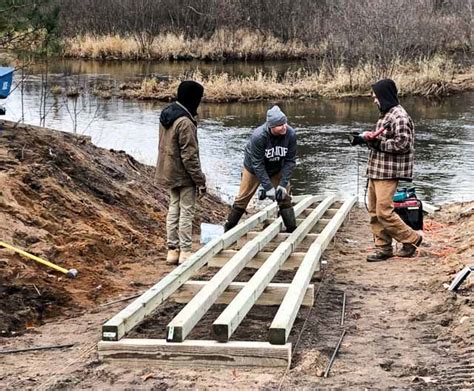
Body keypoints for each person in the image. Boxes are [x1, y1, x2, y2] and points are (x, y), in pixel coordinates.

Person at [352, 79, 423, 262]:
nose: (374, 100)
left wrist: (376, 142)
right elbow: (384, 141)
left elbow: (403, 144)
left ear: (385, 96)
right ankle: (383, 248)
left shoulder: (399, 117)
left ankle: (412, 239)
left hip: (388, 172)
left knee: (384, 211)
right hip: (376, 169)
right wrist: (366, 138)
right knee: (374, 212)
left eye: (376, 97)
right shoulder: (386, 114)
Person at [155, 80, 206, 264]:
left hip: (168, 171)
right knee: (186, 212)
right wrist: (200, 180)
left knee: (173, 209)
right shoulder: (185, 122)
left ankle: (172, 250)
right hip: (183, 175)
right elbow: (189, 157)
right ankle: (185, 252)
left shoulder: (167, 114)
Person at [224, 105, 297, 233]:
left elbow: (290, 161)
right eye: (280, 125)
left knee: (284, 197)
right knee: (242, 198)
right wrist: (268, 187)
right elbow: (258, 164)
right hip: (253, 168)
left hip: (276, 167)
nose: (284, 126)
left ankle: (291, 229)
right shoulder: (259, 136)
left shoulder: (290, 134)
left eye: (285, 122)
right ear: (271, 126)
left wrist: (282, 185)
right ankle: (228, 229)